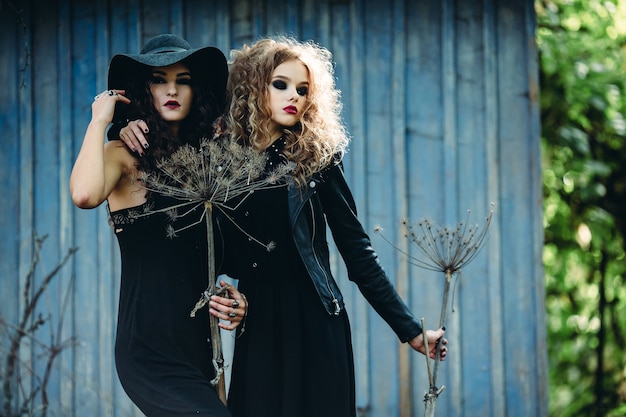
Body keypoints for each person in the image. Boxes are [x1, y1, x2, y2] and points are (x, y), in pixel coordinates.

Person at [117, 35, 447, 417]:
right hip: (257, 321)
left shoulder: (315, 158)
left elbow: (358, 253)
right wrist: (122, 127)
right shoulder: (222, 160)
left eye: (303, 89)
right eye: (281, 84)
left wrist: (411, 331)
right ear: (255, 87)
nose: (294, 96)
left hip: (315, 318)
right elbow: (208, 242)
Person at [69, 34, 247, 416]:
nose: (172, 89)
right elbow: (84, 196)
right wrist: (102, 122)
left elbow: (228, 255)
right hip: (148, 345)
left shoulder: (207, 166)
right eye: (159, 79)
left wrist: (236, 299)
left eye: (183, 80)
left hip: (199, 343)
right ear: (142, 89)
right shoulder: (122, 153)